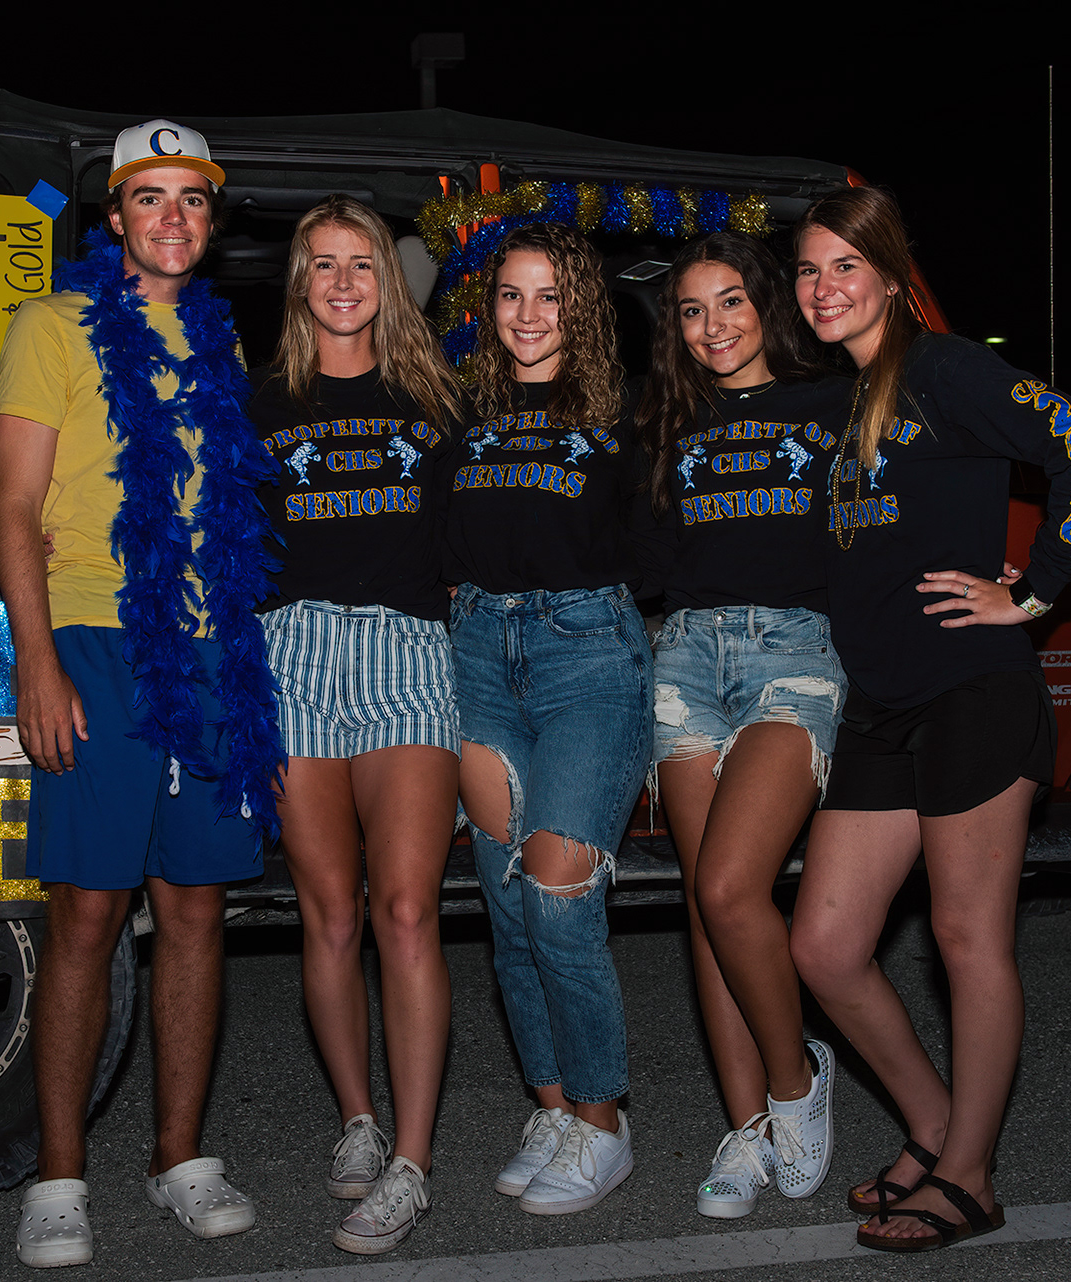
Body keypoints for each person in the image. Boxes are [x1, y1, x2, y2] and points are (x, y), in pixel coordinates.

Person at [785, 186, 1071, 1252]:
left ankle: (969, 1179)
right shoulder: (845, 401)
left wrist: (1036, 593)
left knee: (967, 935)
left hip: (974, 690)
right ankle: (937, 1129)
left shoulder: (945, 370)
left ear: (893, 277)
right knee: (826, 945)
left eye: (847, 266)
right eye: (808, 270)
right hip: (884, 707)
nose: (824, 288)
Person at [0, 118, 284, 1271]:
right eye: (148, 197)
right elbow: (14, 504)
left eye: (192, 198)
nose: (172, 217)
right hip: (97, 637)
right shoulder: (50, 325)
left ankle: (180, 1156)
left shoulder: (218, 338)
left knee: (197, 908)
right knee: (88, 914)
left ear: (210, 220)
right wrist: (37, 657)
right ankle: (58, 1178)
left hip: (212, 651)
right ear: (113, 216)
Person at [247, 194, 463, 1255]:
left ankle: (412, 1164)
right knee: (329, 912)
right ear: (300, 281)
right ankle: (359, 1119)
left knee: (407, 908)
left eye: (361, 262)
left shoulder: (440, 396)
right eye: (322, 264)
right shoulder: (258, 401)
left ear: (388, 277)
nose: (342, 282)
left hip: (407, 652)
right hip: (291, 655)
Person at [635, 231, 849, 1219]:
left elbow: (895, 513)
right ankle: (748, 1129)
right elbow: (640, 554)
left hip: (794, 656)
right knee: (703, 903)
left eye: (730, 301)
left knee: (730, 887)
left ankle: (796, 1080)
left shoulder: (833, 403)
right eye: (691, 309)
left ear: (767, 303)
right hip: (684, 657)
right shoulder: (666, 419)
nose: (712, 324)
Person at [446, 221, 654, 1216]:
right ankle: (556, 1108)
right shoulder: (463, 412)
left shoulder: (629, 414)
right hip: (480, 655)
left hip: (589, 658)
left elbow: (680, 532)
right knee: (508, 907)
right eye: (511, 294)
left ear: (582, 307)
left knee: (559, 897)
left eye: (551, 295)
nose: (528, 315)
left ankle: (605, 1124)